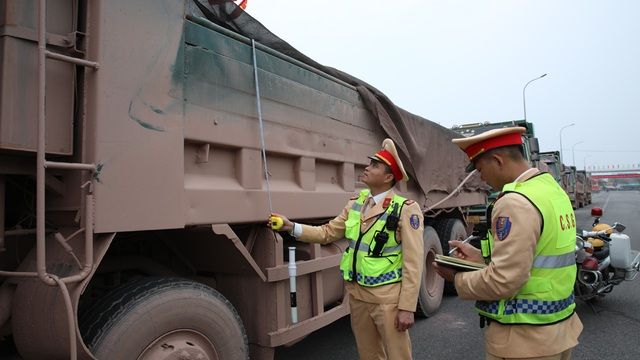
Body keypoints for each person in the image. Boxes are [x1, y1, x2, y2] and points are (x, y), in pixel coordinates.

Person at [434, 127, 583, 360]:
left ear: (497, 160)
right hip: (557, 329)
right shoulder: (551, 190)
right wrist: (481, 259)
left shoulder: (515, 202)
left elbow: (504, 281)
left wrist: (457, 278)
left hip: (524, 340)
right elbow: (538, 253)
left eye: (481, 169)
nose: (481, 178)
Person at [270, 138, 424, 360]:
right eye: (369, 163)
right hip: (357, 295)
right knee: (368, 354)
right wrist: (291, 227)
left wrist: (407, 307)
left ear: (388, 177)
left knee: (398, 356)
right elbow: (327, 233)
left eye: (374, 165)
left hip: (387, 298)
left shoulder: (406, 209)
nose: (367, 168)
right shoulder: (356, 203)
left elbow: (413, 262)